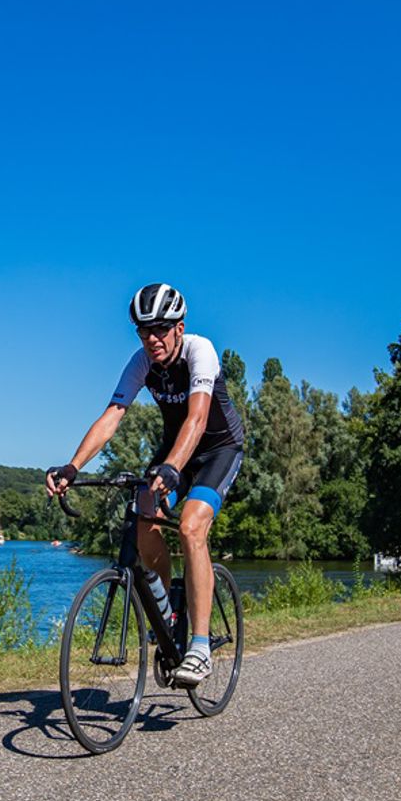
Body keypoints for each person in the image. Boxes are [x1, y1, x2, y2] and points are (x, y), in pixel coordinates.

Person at [45, 283, 245, 686]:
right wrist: (73, 466)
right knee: (143, 512)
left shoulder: (199, 351)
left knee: (191, 526)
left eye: (159, 329)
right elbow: (113, 415)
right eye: (143, 330)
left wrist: (171, 468)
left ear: (179, 327)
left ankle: (201, 647)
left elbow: (198, 419)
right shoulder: (141, 362)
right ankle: (167, 606)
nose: (151, 338)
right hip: (175, 452)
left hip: (218, 451)